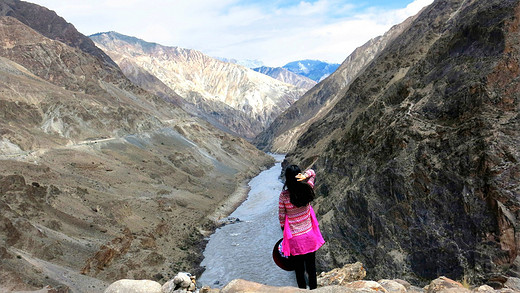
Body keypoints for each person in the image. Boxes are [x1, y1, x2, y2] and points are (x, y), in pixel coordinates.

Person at [279, 164, 325, 290]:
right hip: (309, 235)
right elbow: (313, 173)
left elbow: (282, 218)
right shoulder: (307, 189)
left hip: (294, 239)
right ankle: (314, 291)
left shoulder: (284, 196)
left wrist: (285, 232)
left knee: (299, 270)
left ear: (287, 179)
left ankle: (302, 291)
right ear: (298, 176)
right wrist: (304, 176)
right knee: (311, 268)